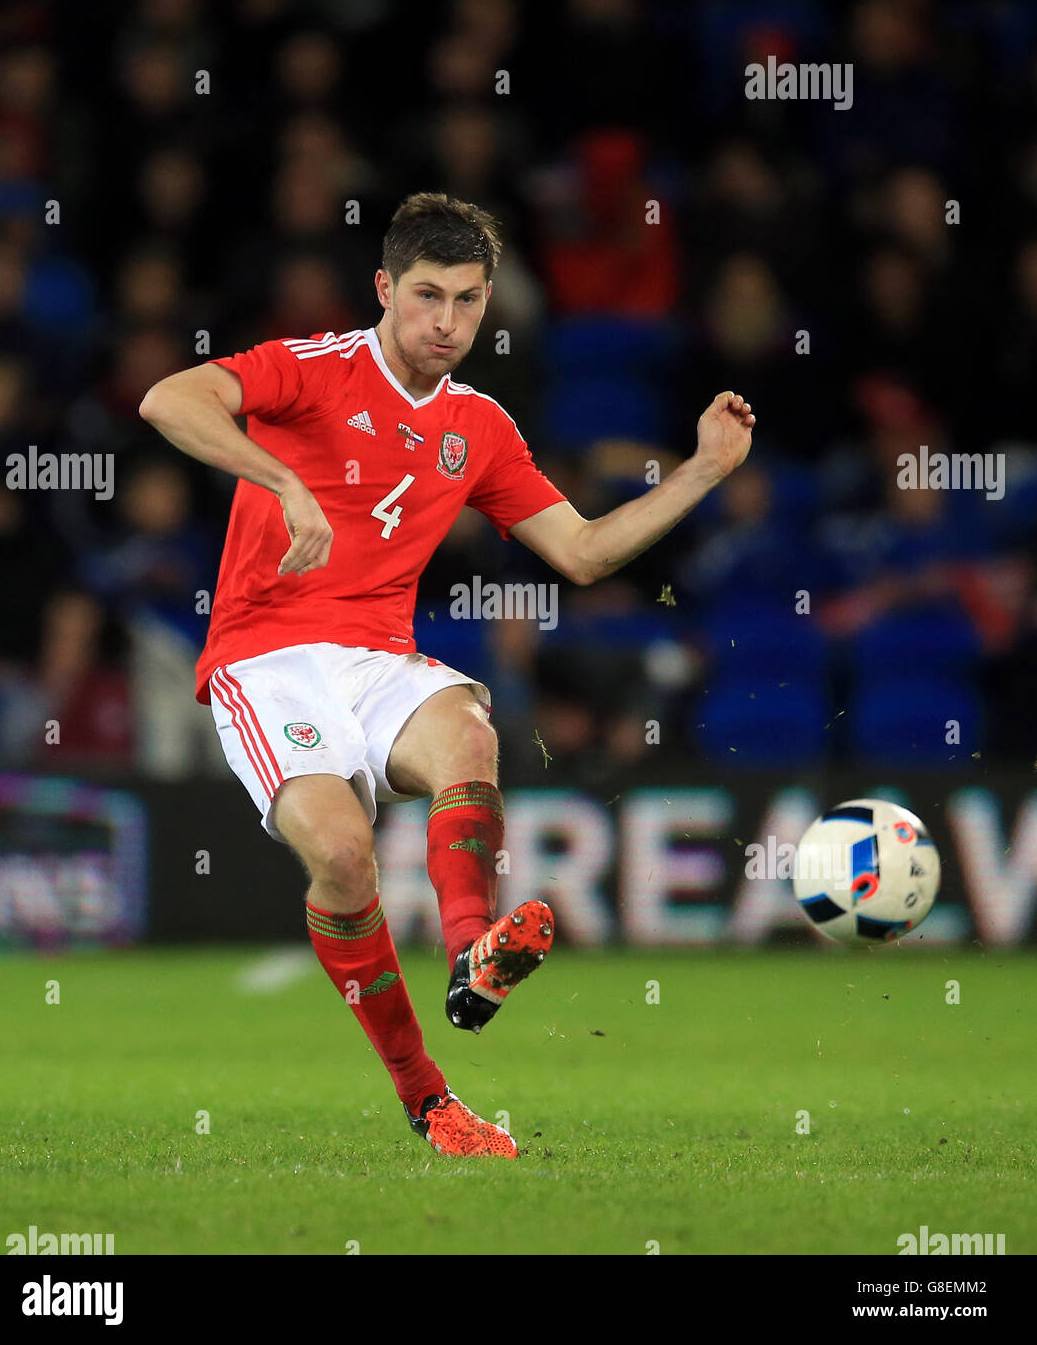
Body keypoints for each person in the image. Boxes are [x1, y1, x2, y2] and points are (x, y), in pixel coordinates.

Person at [139, 192, 755, 1158]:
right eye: (427, 296)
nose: (446, 323)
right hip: (266, 659)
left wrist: (703, 471)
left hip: (379, 656)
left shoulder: (479, 425)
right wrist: (283, 480)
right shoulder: (313, 369)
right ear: (384, 289)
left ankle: (473, 946)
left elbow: (584, 554)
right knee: (344, 860)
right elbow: (167, 398)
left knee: (469, 730)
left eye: (468, 302)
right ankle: (429, 1099)